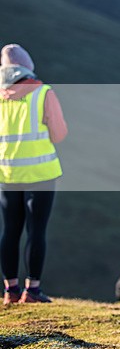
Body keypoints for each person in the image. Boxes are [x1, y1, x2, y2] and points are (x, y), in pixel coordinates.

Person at [1, 44, 68, 305]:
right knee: (36, 230)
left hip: (7, 174)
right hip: (40, 173)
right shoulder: (42, 93)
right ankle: (33, 290)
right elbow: (59, 134)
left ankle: (10, 290)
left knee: (10, 231)